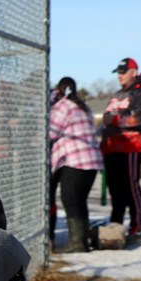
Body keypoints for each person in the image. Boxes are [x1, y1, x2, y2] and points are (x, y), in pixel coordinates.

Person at [101, 57, 141, 243]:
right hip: (112, 147)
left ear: (133, 72)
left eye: (123, 72)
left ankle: (137, 225)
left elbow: (139, 119)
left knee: (131, 186)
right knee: (115, 190)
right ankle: (116, 224)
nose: (120, 76)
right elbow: (105, 118)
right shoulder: (117, 95)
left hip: (131, 147)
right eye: (118, 73)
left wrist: (115, 120)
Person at [49, 76, 103, 253]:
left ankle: (77, 243)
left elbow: (50, 132)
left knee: (70, 199)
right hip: (92, 160)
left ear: (59, 90)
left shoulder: (63, 106)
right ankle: (82, 240)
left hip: (75, 160)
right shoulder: (83, 106)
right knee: (79, 201)